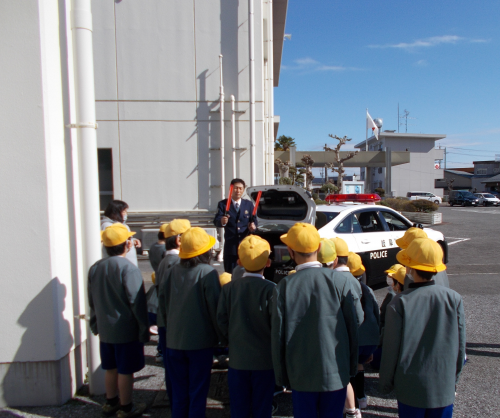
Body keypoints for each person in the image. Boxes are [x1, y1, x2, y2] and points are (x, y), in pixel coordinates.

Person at [271, 223, 359, 418]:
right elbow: (353, 326)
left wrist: (282, 376)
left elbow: (278, 335)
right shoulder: (340, 281)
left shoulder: (284, 286)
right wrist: (351, 366)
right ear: (318, 248)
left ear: (290, 251)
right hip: (336, 370)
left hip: (300, 373)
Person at [379, 238, 466, 418]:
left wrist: (386, 383)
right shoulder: (454, 298)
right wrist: (454, 377)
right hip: (443, 383)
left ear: (409, 268)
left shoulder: (399, 302)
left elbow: (391, 348)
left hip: (410, 385)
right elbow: (460, 344)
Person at [157, 227, 222, 418]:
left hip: (174, 340)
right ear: (205, 252)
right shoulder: (208, 273)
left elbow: (163, 304)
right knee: (198, 390)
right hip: (200, 342)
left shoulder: (170, 271)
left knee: (178, 391)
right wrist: (221, 336)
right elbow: (215, 308)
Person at [88, 223, 149, 418]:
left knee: (110, 367)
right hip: (125, 328)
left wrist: (94, 322)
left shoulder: (95, 268)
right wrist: (143, 327)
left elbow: (92, 300)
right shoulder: (128, 268)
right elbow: (136, 302)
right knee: (125, 370)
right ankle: (126, 407)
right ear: (127, 245)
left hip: (105, 327)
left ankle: (110, 402)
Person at [217, 235, 276, 418]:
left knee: (239, 406)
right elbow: (277, 324)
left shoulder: (229, 289)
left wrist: (228, 341)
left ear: (239, 262)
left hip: (237, 358)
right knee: (263, 406)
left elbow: (221, 320)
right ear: (268, 263)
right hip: (265, 361)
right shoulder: (272, 289)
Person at [347, 252, 380, 413]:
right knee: (359, 365)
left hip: (357, 338)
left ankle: (353, 404)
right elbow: (376, 313)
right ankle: (362, 397)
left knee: (349, 369)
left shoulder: (346, 288)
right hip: (371, 338)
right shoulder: (368, 289)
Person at [213, 178, 257, 273]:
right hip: (231, 247)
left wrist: (253, 227)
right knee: (230, 274)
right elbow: (216, 221)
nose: (238, 191)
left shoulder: (248, 204)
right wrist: (222, 221)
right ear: (231, 189)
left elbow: (254, 221)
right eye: (236, 188)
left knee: (246, 273)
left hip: (246, 246)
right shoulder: (223, 204)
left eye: (241, 188)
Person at [101, 200, 141, 266]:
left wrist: (133, 241)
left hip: (127, 263)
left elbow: (123, 238)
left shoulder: (123, 225)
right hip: (118, 265)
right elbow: (115, 243)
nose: (126, 214)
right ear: (115, 212)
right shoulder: (108, 226)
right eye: (124, 211)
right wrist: (128, 242)